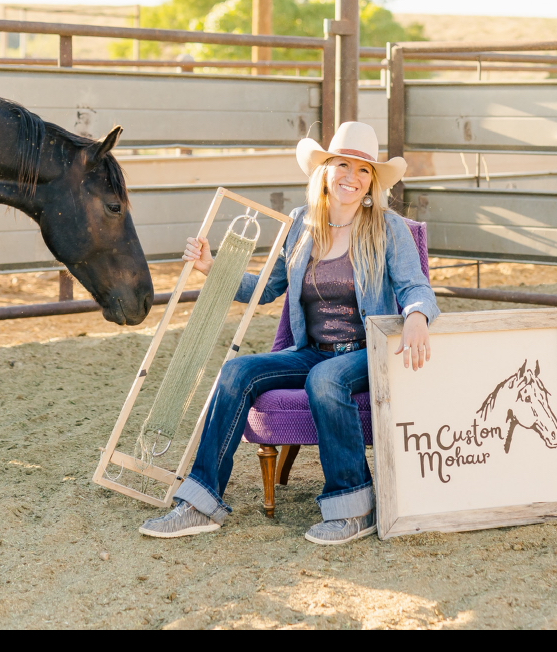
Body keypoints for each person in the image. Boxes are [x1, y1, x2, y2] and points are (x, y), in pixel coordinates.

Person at [138, 122, 439, 545]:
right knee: (237, 372)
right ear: (325, 171)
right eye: (342, 165)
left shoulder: (388, 227)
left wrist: (417, 316)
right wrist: (213, 267)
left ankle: (356, 508)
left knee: (326, 379)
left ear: (372, 181)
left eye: (363, 170)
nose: (352, 177)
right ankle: (200, 504)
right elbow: (267, 288)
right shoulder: (301, 223)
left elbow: (415, 286)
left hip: (368, 351)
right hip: (313, 351)